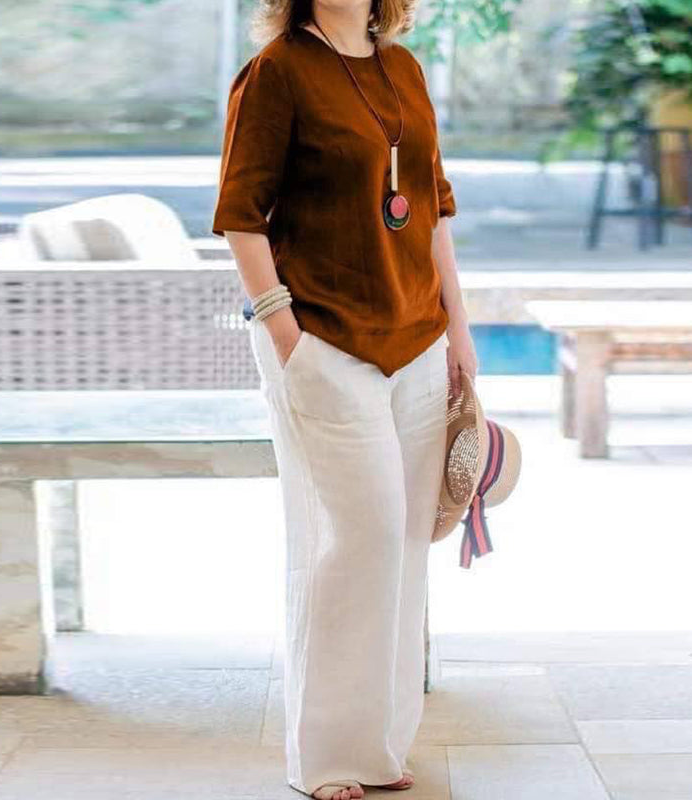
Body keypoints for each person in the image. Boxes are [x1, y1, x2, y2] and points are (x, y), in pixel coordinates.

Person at [212, 0, 477, 795]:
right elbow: (241, 216)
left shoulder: (404, 67)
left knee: (403, 545)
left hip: (418, 341)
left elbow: (432, 210)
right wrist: (284, 333)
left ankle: (379, 748)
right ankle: (326, 757)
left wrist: (459, 333)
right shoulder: (277, 71)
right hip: (324, 341)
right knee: (358, 539)